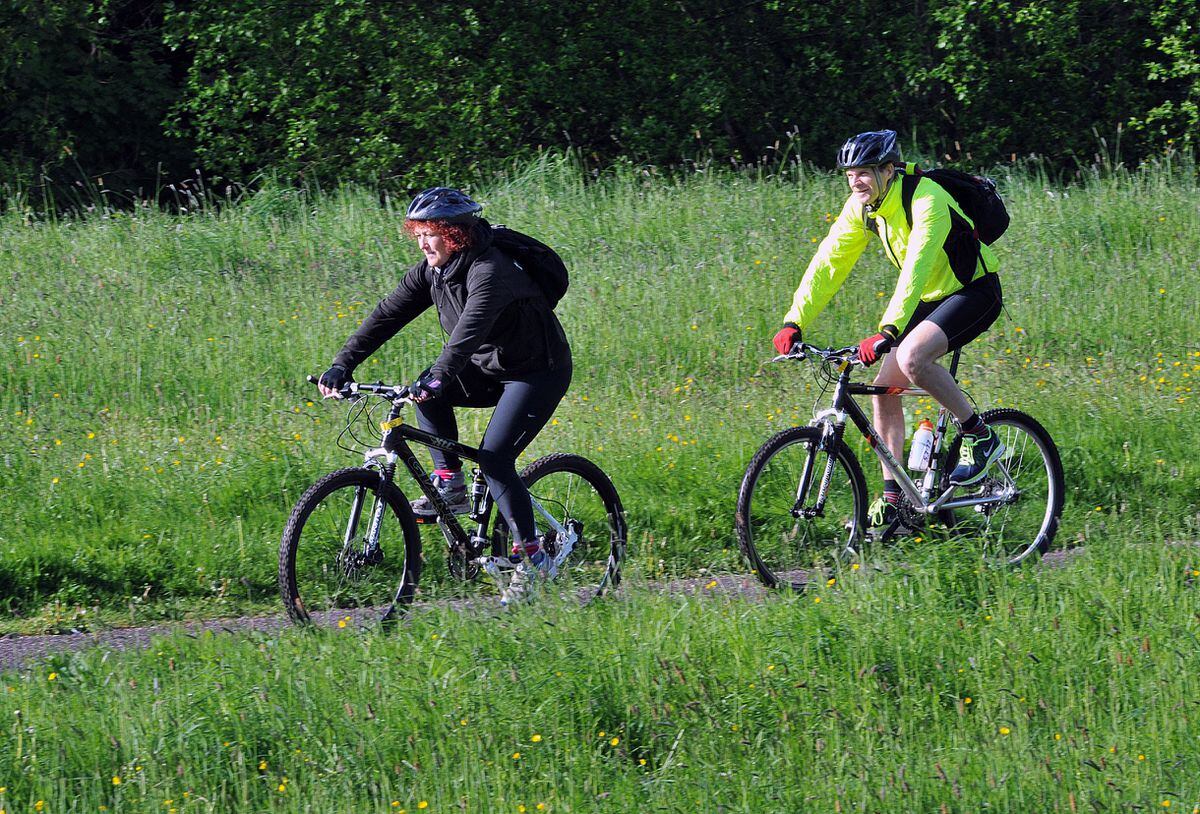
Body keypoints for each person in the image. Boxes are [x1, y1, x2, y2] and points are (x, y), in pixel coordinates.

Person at [317, 187, 572, 603]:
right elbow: (386, 315)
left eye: (429, 234)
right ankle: (449, 483)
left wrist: (438, 376)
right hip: (487, 367)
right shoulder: (433, 271)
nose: (421, 243)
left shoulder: (490, 272)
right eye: (416, 234)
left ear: (455, 233)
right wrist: (343, 363)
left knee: (494, 459)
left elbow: (464, 338)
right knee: (424, 391)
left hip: (536, 372)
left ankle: (533, 562)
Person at [771, 129, 1005, 539]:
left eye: (863, 172)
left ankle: (980, 436)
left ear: (888, 169)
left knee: (913, 358)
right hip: (930, 300)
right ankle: (895, 502)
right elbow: (829, 263)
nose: (855, 181)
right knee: (885, 390)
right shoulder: (863, 207)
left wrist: (888, 331)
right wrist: (795, 320)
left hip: (973, 292)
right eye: (849, 174)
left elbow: (916, 268)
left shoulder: (925, 198)